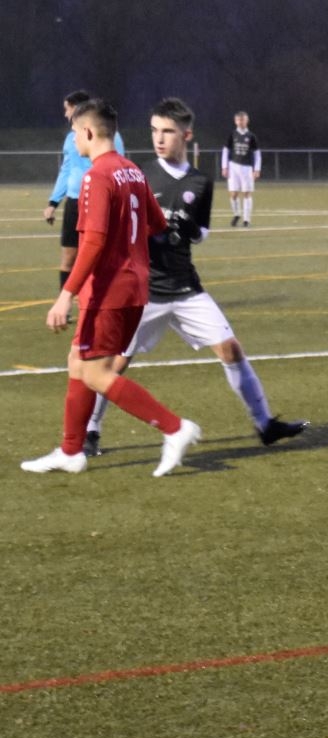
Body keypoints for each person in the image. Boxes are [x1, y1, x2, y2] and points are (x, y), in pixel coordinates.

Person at [81, 99, 307, 458]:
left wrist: (189, 229)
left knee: (231, 349)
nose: (159, 138)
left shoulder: (200, 181)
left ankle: (265, 424)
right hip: (145, 290)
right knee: (113, 364)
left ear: (186, 135)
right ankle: (90, 432)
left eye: (167, 132)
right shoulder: (138, 174)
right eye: (155, 130)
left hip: (185, 287)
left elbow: (202, 232)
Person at [21, 98, 201, 477]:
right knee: (78, 362)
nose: (74, 139)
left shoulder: (97, 176)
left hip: (109, 291)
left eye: (74, 132)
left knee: (96, 373)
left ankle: (174, 428)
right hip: (134, 288)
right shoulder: (133, 171)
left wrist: (65, 295)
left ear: (88, 132)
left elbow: (93, 241)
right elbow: (156, 224)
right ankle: (71, 451)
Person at [46, 90, 125, 293]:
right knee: (69, 257)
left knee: (99, 254)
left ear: (78, 109)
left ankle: (99, 297)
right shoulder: (71, 139)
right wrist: (53, 202)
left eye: (67, 109)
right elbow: (66, 170)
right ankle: (65, 300)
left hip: (100, 202)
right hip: (75, 202)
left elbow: (118, 167)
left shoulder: (111, 137)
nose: (65, 114)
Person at [221, 111, 261, 227]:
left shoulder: (251, 136)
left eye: (243, 120)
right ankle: (236, 214)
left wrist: (256, 169)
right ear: (235, 121)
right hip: (233, 167)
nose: (240, 122)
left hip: (247, 168)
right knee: (233, 194)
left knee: (246, 193)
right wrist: (224, 167)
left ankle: (246, 220)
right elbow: (225, 151)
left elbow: (257, 154)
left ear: (247, 121)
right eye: (238, 120)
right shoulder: (232, 135)